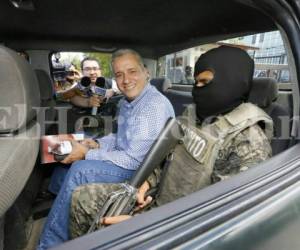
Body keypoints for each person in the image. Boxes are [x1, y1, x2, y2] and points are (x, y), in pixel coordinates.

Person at [68, 46, 274, 238]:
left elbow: (221, 219)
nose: (197, 90)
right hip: (157, 198)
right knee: (81, 197)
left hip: (180, 225)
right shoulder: (192, 118)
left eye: (205, 82)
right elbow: (166, 156)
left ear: (232, 82)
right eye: (195, 82)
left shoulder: (248, 142)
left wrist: (140, 225)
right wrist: (148, 183)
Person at [37, 49, 175, 249]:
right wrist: (97, 143)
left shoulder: (152, 106)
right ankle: (59, 199)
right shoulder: (131, 102)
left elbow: (133, 159)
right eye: (119, 74)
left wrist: (86, 154)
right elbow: (121, 138)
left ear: (146, 72)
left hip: (138, 170)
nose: (126, 80)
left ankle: (50, 244)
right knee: (72, 145)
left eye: (132, 71)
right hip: (129, 158)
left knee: (79, 170)